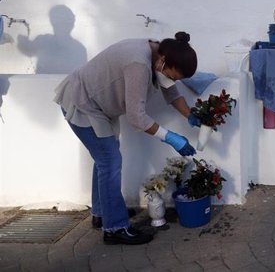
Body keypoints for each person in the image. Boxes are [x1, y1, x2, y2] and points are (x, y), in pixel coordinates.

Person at [54, 31, 203, 245]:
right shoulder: (139, 64)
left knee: (106, 160)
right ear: (163, 62)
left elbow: (170, 91)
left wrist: (189, 114)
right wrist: (171, 138)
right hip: (82, 102)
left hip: (97, 107)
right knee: (110, 162)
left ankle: (102, 214)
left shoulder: (161, 53)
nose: (172, 81)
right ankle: (114, 227)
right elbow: (136, 117)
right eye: (173, 76)